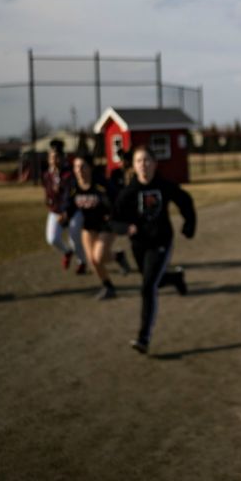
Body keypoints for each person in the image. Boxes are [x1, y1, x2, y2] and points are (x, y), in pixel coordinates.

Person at [111, 146, 195, 354]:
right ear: (134, 165)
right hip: (138, 244)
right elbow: (113, 219)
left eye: (147, 160)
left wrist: (188, 225)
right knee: (152, 280)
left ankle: (144, 337)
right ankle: (175, 278)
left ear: (155, 164)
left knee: (147, 287)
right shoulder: (129, 192)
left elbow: (185, 201)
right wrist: (125, 228)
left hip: (161, 241)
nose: (144, 165)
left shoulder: (163, 185)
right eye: (139, 161)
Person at [62, 154, 119, 300]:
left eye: (83, 166)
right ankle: (108, 286)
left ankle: (116, 260)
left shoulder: (100, 184)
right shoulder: (74, 186)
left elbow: (116, 200)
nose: (79, 170)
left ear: (90, 168)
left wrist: (112, 213)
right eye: (76, 167)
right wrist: (65, 215)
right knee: (92, 262)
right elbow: (70, 204)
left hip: (107, 225)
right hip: (89, 225)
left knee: (98, 257)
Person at [42, 140, 88, 274]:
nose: (54, 160)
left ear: (62, 157)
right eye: (51, 157)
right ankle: (67, 252)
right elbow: (48, 193)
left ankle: (82, 262)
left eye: (57, 156)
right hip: (56, 211)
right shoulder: (47, 175)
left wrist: (66, 211)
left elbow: (71, 194)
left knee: (74, 237)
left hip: (72, 211)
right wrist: (50, 204)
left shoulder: (69, 173)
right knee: (52, 239)